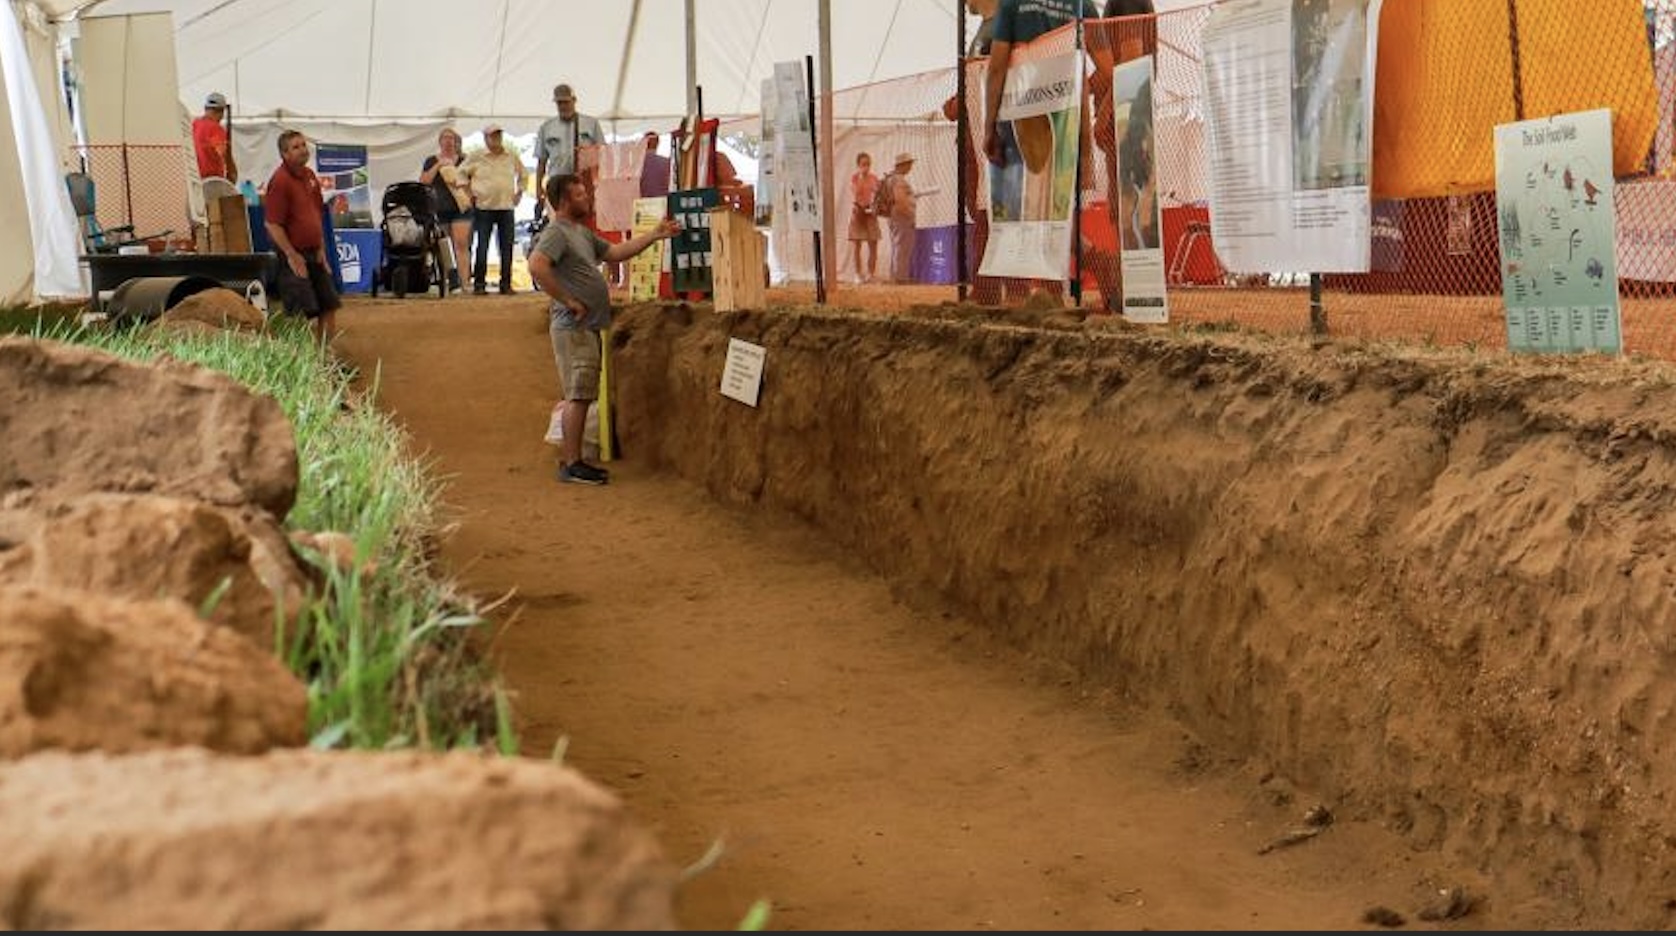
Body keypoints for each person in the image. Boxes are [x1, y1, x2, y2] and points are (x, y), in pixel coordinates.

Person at [528, 173, 681, 486]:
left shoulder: (580, 233)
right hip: (574, 325)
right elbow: (537, 266)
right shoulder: (557, 233)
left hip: (585, 325)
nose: (588, 198)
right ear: (565, 201)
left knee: (581, 392)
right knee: (578, 393)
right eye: (581, 195)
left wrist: (654, 235)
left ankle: (575, 460)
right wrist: (568, 300)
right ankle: (572, 462)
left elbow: (614, 253)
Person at [262, 129, 341, 345]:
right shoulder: (280, 181)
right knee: (299, 314)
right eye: (295, 147)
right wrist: (291, 254)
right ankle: (305, 366)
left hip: (314, 253)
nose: (302, 150)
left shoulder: (310, 176)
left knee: (329, 305)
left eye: (303, 145)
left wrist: (321, 249)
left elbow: (316, 216)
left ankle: (326, 359)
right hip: (292, 257)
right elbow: (272, 224)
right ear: (284, 154)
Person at [459, 123, 527, 295]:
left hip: (506, 207)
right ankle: (479, 284)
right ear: (485, 138)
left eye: (498, 135)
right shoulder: (476, 156)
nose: (496, 139)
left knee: (507, 247)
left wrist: (519, 192)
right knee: (482, 246)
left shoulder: (511, 155)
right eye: (492, 136)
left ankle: (506, 284)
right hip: (484, 207)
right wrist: (469, 193)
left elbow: (523, 174)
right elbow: (460, 174)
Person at [534, 83, 604, 219]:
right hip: (557, 183)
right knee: (559, 222)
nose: (563, 106)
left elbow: (602, 155)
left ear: (574, 101)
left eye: (566, 102)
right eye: (559, 103)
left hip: (583, 182)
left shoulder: (591, 124)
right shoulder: (547, 127)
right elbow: (541, 160)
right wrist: (538, 188)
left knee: (584, 221)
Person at [418, 126, 474, 291]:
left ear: (456, 142)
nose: (448, 141)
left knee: (461, 244)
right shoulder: (431, 160)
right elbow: (424, 181)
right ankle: (447, 282)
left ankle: (465, 283)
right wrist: (439, 166)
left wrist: (454, 172)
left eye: (451, 138)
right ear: (440, 142)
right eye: (445, 138)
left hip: (461, 209)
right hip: (439, 209)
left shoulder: (465, 160)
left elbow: (471, 183)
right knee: (443, 248)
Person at [881, 153, 919, 284]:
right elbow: (900, 199)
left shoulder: (890, 178)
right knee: (903, 247)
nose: (911, 167)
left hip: (893, 216)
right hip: (902, 217)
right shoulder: (899, 180)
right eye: (909, 164)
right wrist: (910, 214)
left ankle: (895, 276)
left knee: (897, 246)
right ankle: (901, 278)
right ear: (902, 165)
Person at [847, 151, 882, 283]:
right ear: (858, 165)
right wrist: (861, 178)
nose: (866, 167)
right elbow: (855, 193)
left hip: (871, 213)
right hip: (858, 212)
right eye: (863, 164)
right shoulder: (855, 178)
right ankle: (857, 274)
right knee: (857, 245)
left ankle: (870, 274)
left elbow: (878, 196)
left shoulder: (874, 178)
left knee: (873, 244)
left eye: (868, 164)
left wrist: (875, 205)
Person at [192, 91, 238, 182]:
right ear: (221, 111)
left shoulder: (194, 124)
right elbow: (224, 153)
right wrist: (233, 172)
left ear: (205, 108)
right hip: (212, 180)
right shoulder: (215, 128)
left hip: (195, 179)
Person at [639, 131, 671, 199]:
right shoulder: (666, 162)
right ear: (658, 142)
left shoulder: (637, 164)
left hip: (642, 202)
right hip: (662, 201)